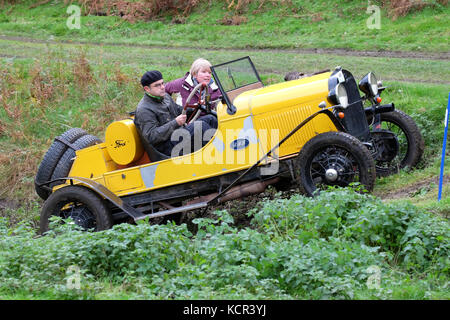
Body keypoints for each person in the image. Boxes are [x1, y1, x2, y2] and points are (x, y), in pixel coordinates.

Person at [134, 70, 217, 157]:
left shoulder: (165, 97)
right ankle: (215, 155)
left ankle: (221, 149)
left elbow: (179, 111)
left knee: (211, 119)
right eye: (157, 85)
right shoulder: (144, 109)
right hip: (166, 147)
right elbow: (152, 136)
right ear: (147, 89)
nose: (162, 87)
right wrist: (175, 123)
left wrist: (195, 107)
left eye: (162, 83)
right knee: (200, 127)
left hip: (177, 135)